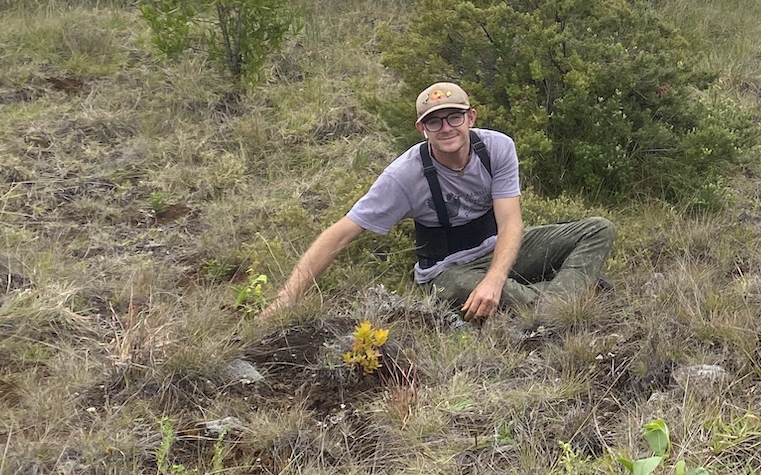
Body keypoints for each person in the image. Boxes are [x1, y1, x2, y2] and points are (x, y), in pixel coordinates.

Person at [261, 82, 615, 323]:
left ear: (470, 118)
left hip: (493, 250)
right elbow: (340, 234)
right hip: (445, 272)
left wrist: (493, 277)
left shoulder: (497, 148)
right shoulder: (404, 176)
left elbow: (510, 223)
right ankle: (563, 297)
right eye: (434, 121)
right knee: (483, 290)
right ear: (422, 129)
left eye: (454, 117)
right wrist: (286, 297)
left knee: (597, 229)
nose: (446, 128)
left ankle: (545, 296)